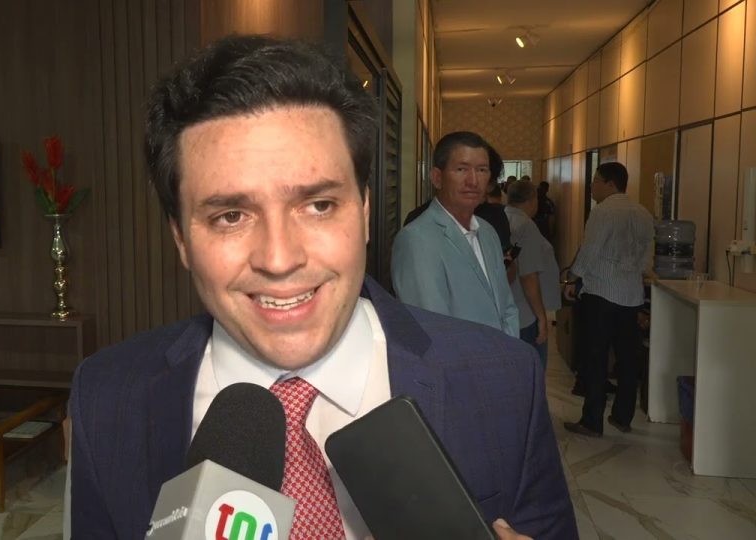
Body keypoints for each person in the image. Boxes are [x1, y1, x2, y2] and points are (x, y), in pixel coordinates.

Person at [70, 35, 577, 540]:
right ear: (181, 238)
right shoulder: (107, 398)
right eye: (230, 215)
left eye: (318, 206)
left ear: (364, 212)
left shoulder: (504, 381)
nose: (279, 259)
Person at [391, 131, 519, 337]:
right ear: (437, 178)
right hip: (458, 358)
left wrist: (507, 352)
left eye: (482, 170)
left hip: (502, 354)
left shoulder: (487, 232)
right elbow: (432, 330)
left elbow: (507, 308)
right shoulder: (417, 240)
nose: (473, 181)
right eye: (461, 169)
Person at [564, 162, 653, 438]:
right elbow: (646, 257)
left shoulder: (602, 212)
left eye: (595, 181)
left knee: (595, 358)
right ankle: (622, 417)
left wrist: (572, 278)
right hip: (631, 296)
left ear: (610, 184)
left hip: (601, 294)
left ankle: (592, 421)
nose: (592, 186)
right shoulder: (643, 213)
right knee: (627, 359)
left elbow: (590, 250)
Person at [505, 180, 561, 368]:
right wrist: (541, 317)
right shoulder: (525, 226)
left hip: (509, 308)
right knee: (532, 370)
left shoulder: (504, 218)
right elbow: (528, 275)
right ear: (532, 199)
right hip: (526, 312)